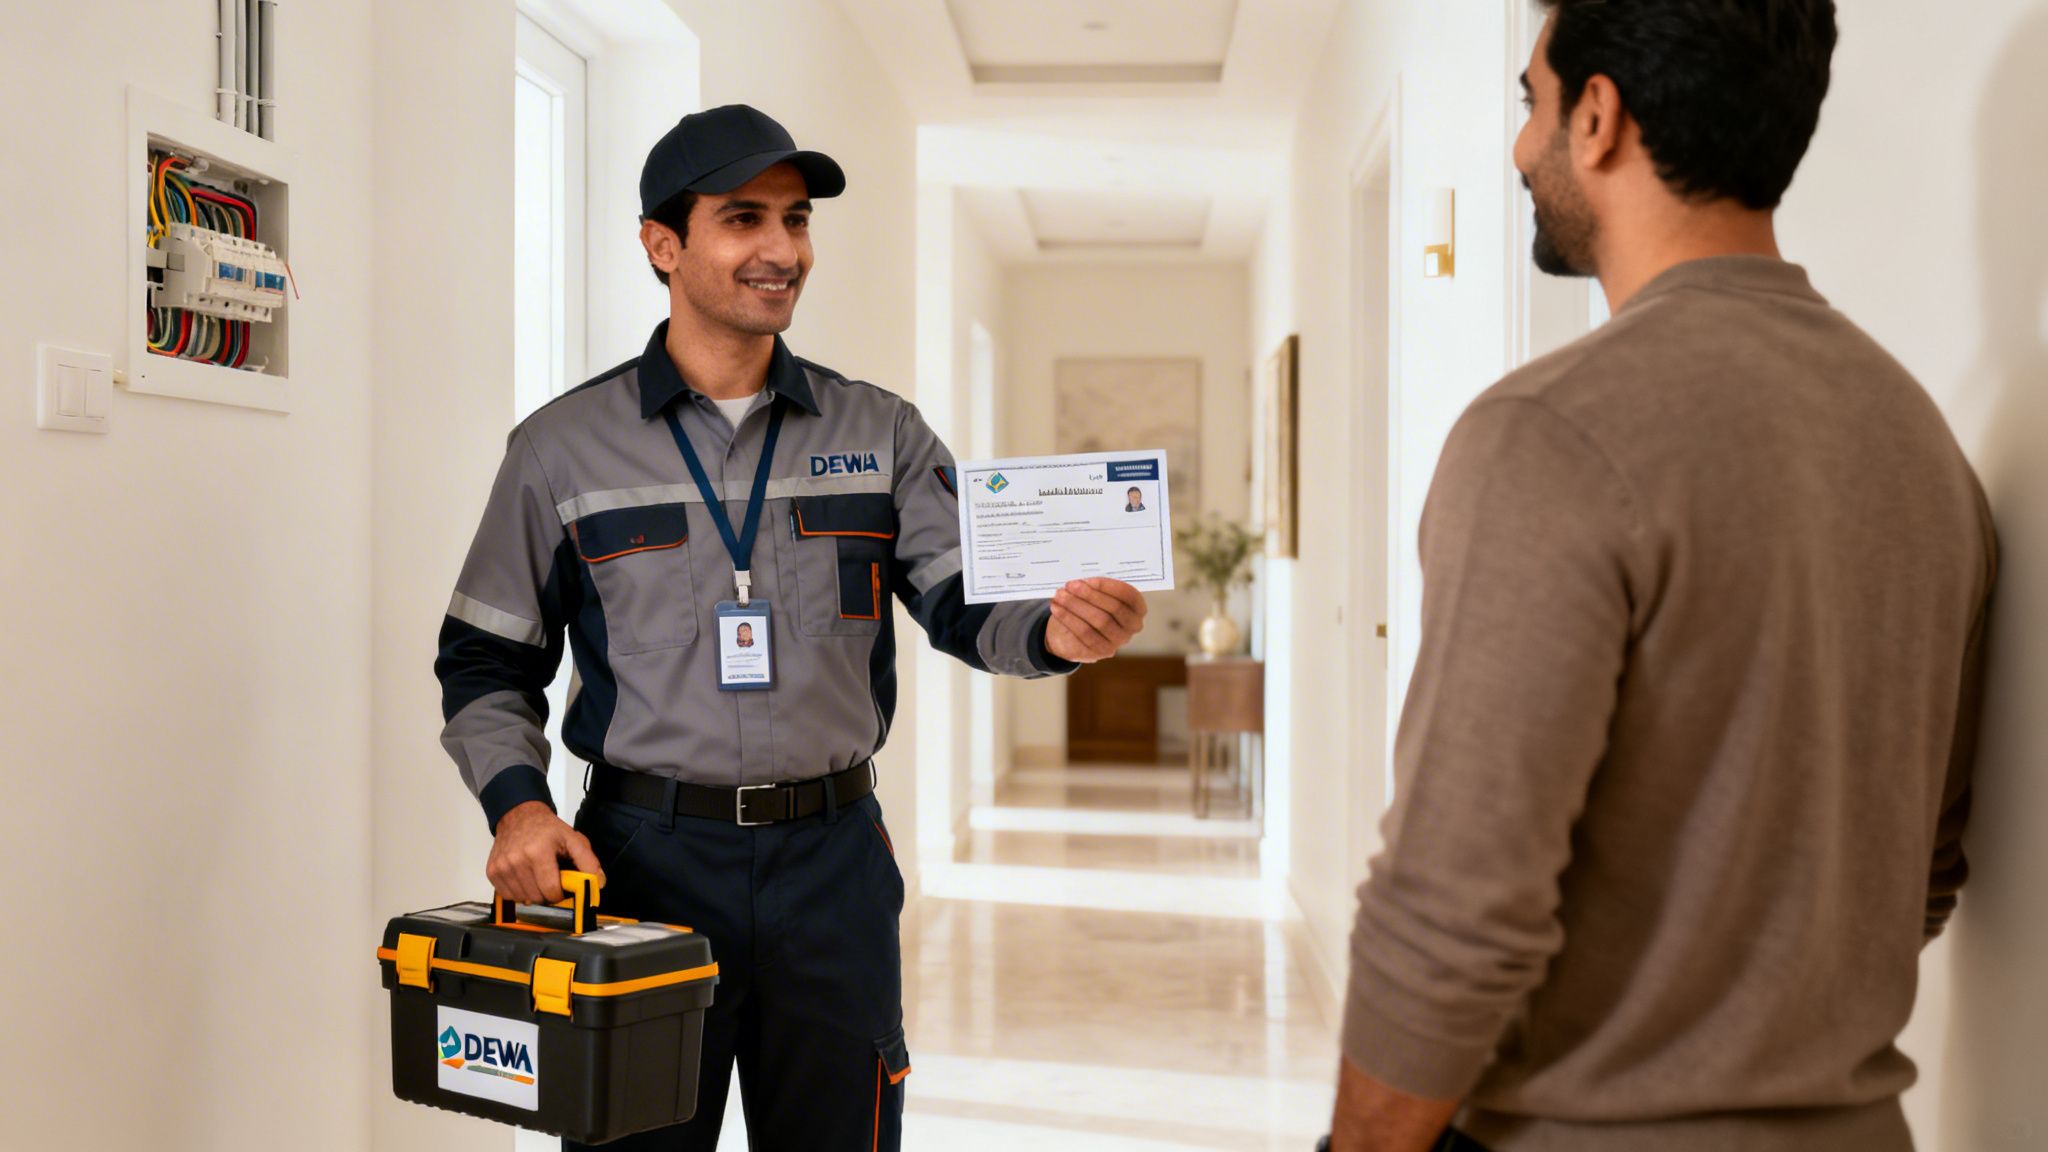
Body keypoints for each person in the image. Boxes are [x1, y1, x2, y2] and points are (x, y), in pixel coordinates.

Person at [1325, 4, 1995, 1151]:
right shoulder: (1919, 446)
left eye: (1529, 102)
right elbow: (1916, 869)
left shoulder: (1543, 433)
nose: (1520, 145)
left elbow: (1449, 914)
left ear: (1596, 117)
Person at [435, 104, 1149, 1152]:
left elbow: (968, 605)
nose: (781, 251)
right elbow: (485, 656)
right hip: (642, 867)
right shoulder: (559, 450)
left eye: (796, 219)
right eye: (743, 219)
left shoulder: (882, 432)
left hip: (832, 866)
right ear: (662, 246)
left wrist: (1060, 634)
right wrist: (518, 809)